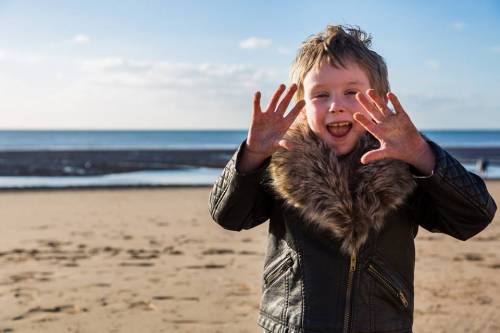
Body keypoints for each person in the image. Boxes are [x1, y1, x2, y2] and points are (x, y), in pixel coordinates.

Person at [208, 25, 497, 333]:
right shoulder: (283, 157)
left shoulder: (404, 163)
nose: (336, 105)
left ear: (380, 99)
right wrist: (252, 154)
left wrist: (421, 154)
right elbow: (229, 215)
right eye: (320, 95)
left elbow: (474, 217)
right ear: (301, 107)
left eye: (352, 92)